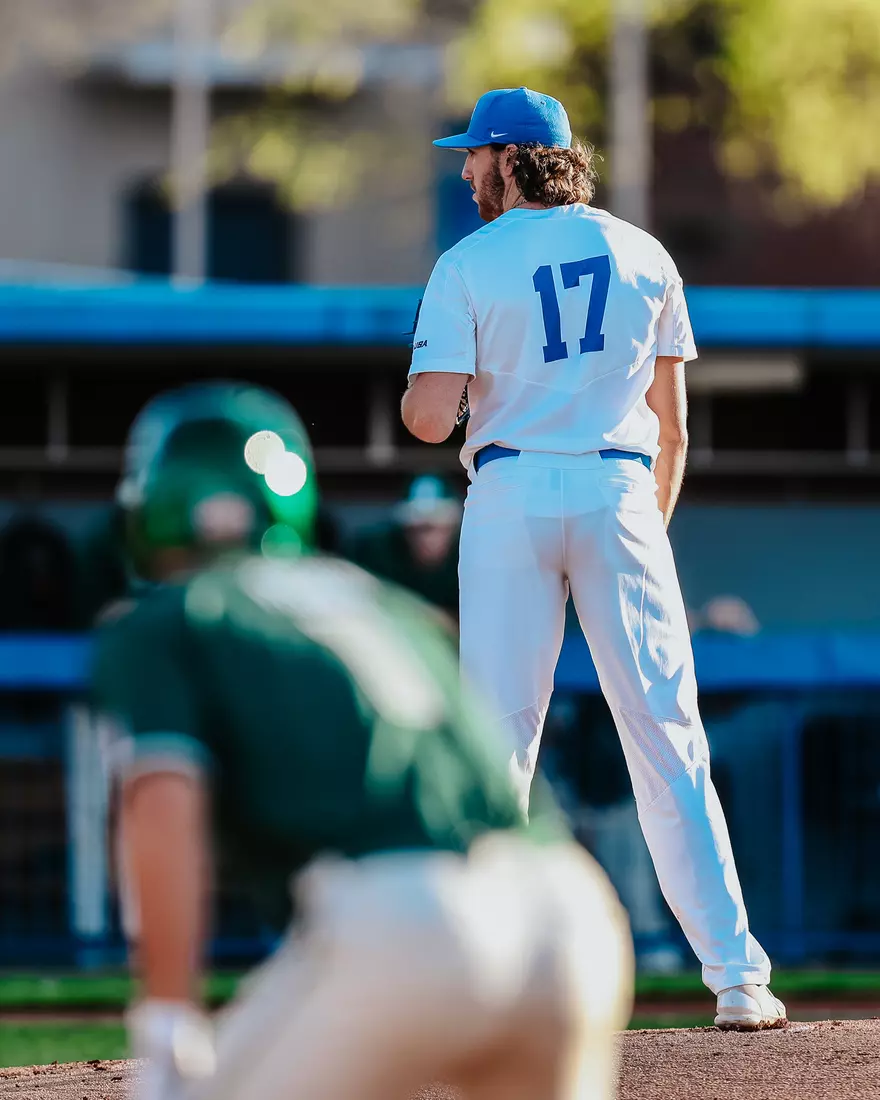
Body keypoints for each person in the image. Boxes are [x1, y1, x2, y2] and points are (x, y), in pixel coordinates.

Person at [91, 381, 632, 1100]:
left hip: (405, 921)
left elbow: (161, 801)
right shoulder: (385, 603)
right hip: (571, 914)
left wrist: (165, 1019)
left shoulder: (171, 618)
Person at [401, 86, 786, 1030]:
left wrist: (465, 390)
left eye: (475, 155)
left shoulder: (468, 261)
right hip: (621, 491)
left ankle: (476, 985)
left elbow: (423, 417)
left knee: (495, 740)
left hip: (512, 491)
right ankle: (738, 980)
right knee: (667, 735)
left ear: (511, 158)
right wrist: (636, 528)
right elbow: (675, 432)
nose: (465, 171)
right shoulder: (644, 252)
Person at [349, 474, 461, 621]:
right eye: (417, 529)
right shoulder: (378, 554)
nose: (426, 539)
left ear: (452, 528)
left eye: (434, 528)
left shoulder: (469, 560)